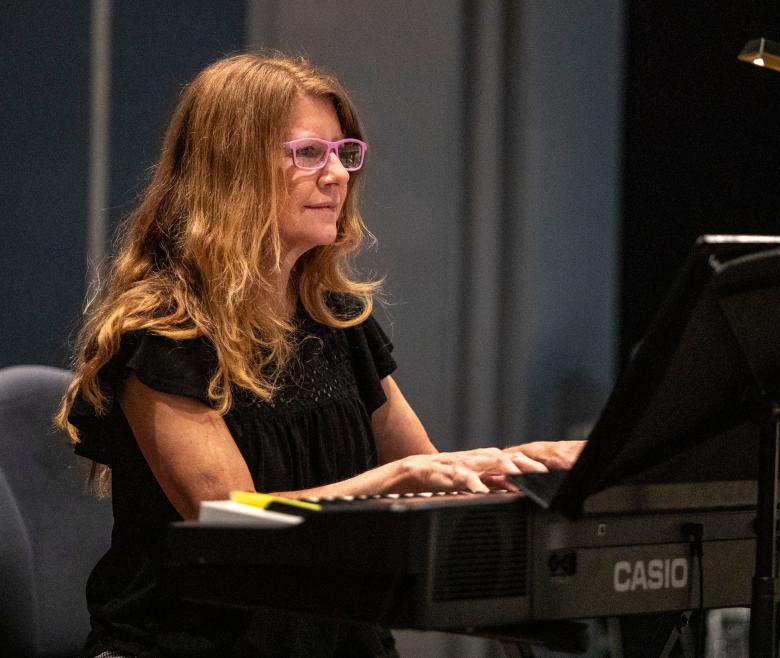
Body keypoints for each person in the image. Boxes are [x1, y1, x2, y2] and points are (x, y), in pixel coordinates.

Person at [57, 52, 582, 657]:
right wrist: (393, 480)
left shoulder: (336, 321)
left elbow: (431, 476)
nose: (337, 176)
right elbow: (229, 522)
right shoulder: (164, 334)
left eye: (343, 154)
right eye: (309, 154)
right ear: (233, 170)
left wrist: (522, 463)